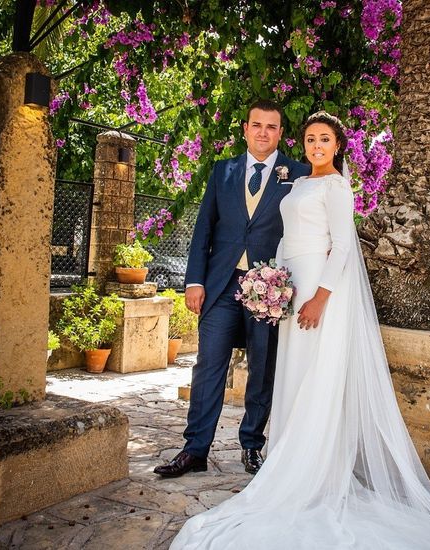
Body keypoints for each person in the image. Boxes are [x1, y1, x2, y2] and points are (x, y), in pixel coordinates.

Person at [169, 111, 430, 549]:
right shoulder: (285, 180)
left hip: (314, 287)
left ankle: (288, 460)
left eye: (324, 139)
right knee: (270, 374)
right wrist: (269, 282)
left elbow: (343, 245)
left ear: (337, 145)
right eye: (310, 139)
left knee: (296, 374)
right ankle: (226, 452)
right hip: (276, 285)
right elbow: (240, 231)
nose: (315, 146)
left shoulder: (330, 184)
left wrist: (319, 296)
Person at [154, 100, 311, 478]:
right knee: (208, 365)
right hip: (221, 285)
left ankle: (251, 446)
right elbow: (204, 229)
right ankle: (195, 450)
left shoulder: (300, 174)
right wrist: (194, 281)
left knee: (262, 368)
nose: (263, 132)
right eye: (256, 125)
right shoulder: (222, 172)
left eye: (271, 127)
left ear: (280, 134)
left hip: (270, 289)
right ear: (245, 129)